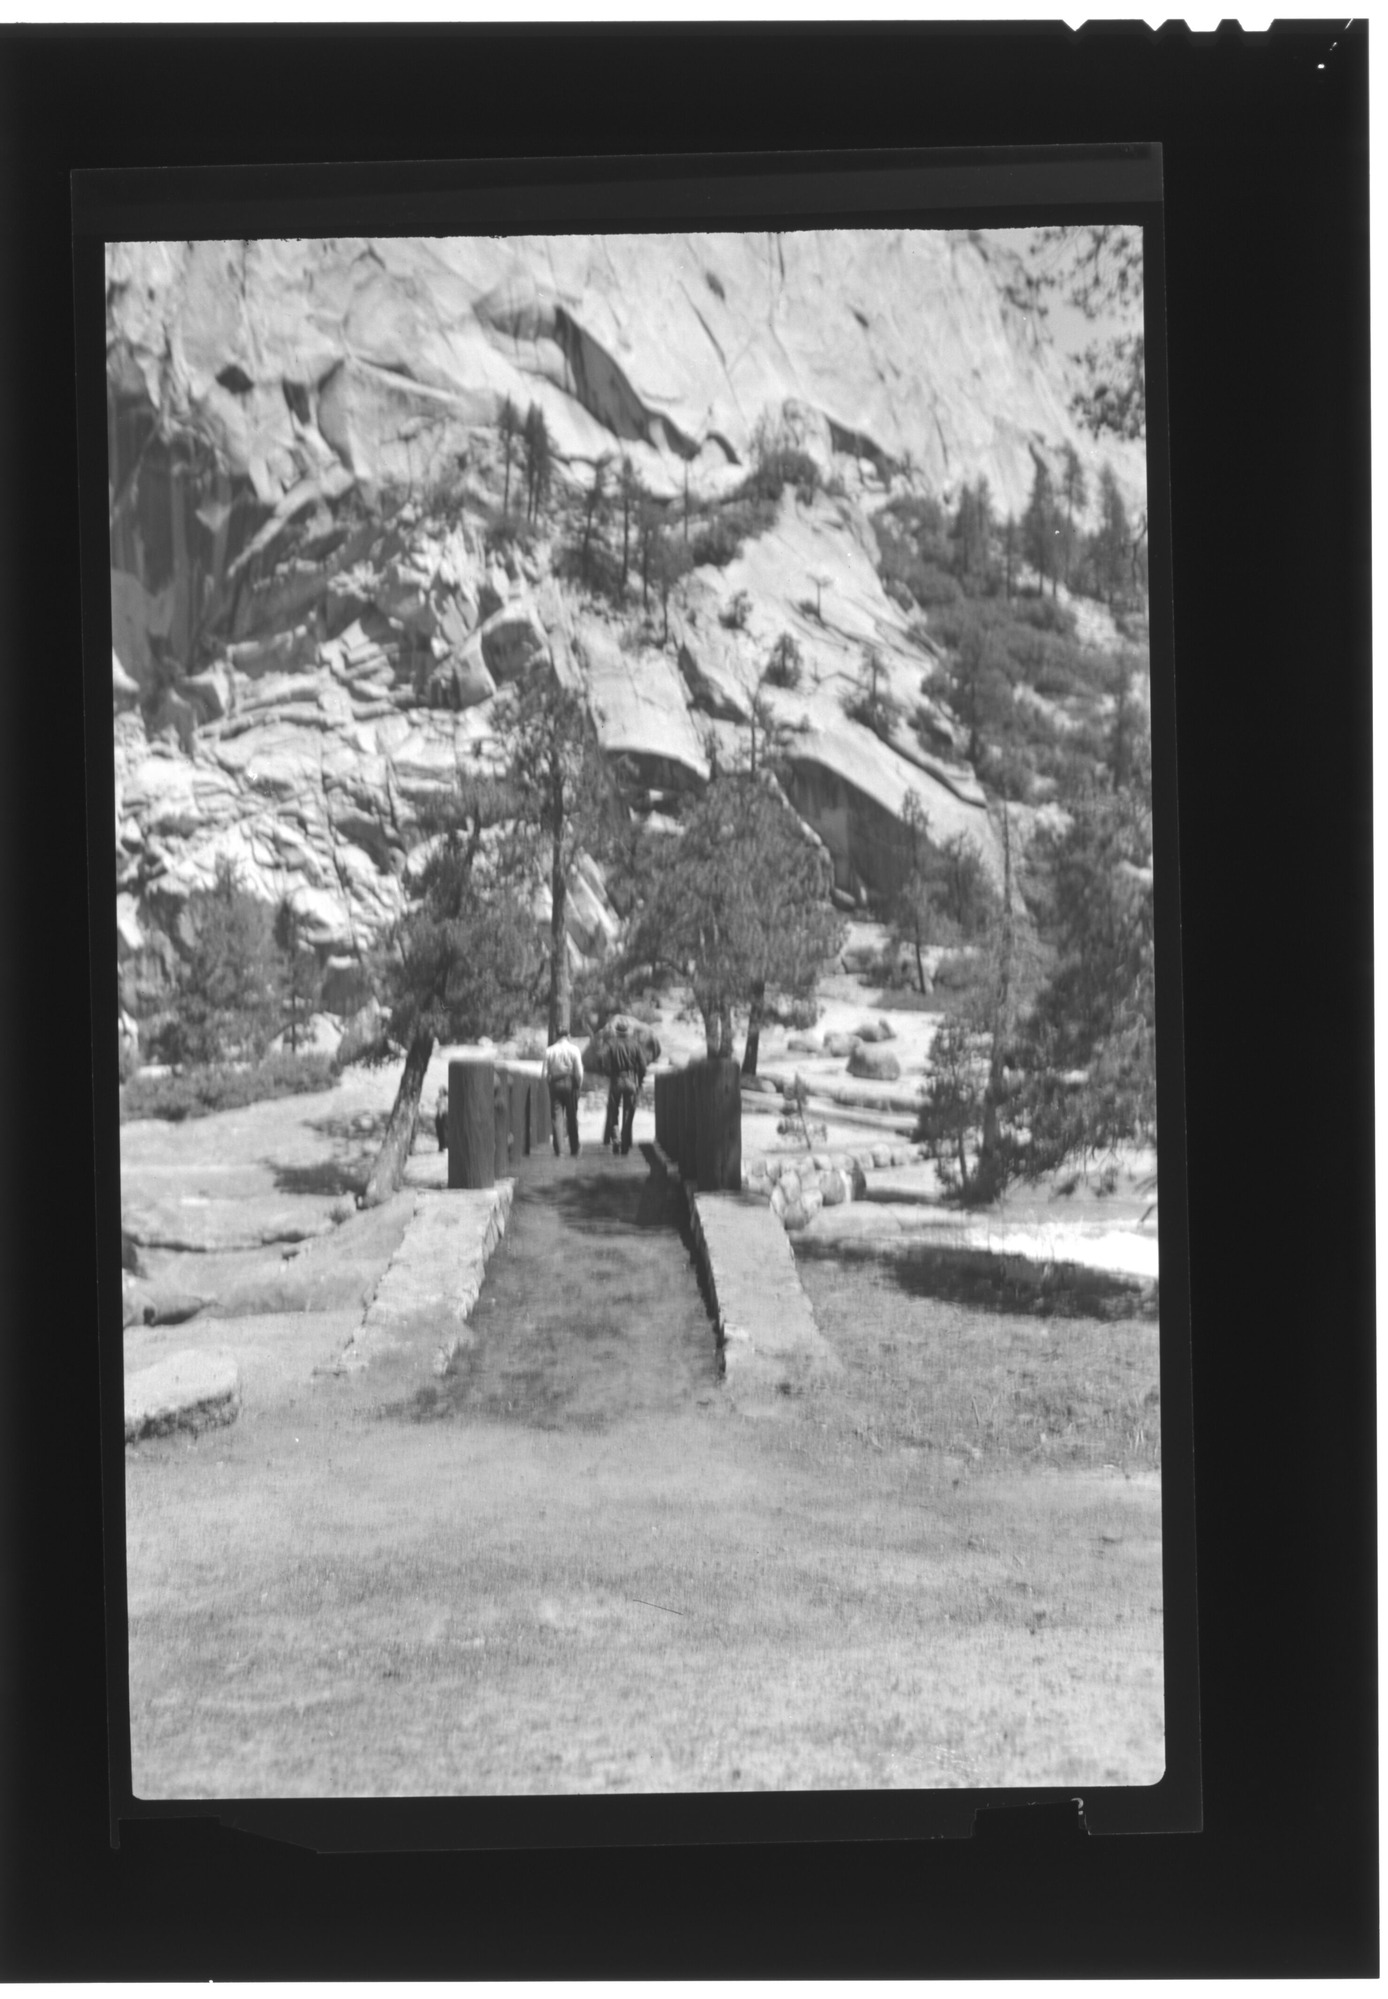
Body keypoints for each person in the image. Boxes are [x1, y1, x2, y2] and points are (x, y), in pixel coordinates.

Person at [601, 1018, 648, 1156]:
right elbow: (643, 1065)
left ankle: (616, 1139)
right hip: (631, 1080)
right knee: (628, 1112)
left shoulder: (610, 1043)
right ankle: (625, 1143)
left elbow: (600, 1058)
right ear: (628, 1031)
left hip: (616, 1080)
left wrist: (607, 1072)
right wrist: (639, 1079)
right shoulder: (635, 1044)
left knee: (613, 1111)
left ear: (617, 1031)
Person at [541, 1030, 585, 1158]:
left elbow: (544, 1073)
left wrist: (549, 1085)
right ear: (568, 1036)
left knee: (557, 1117)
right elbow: (579, 1072)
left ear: (556, 1036)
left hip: (555, 1085)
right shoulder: (574, 1049)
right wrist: (578, 1086)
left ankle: (559, 1150)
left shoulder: (549, 1050)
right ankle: (574, 1148)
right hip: (570, 1085)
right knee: (572, 1117)